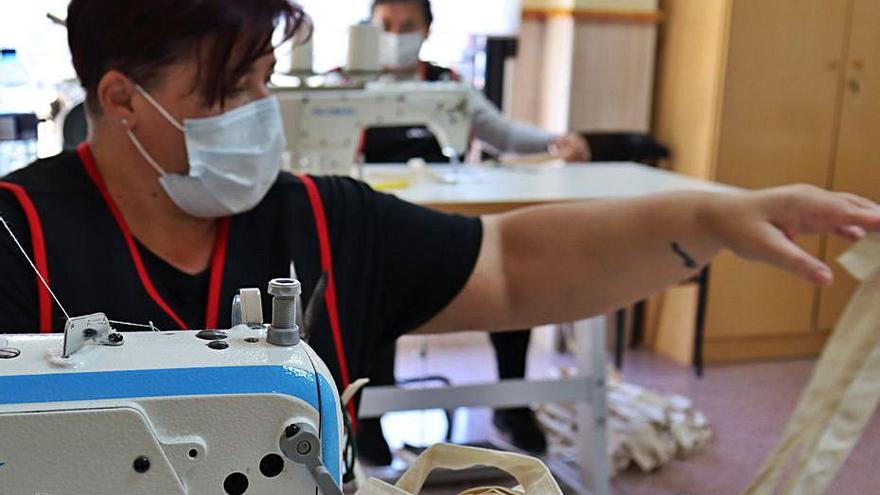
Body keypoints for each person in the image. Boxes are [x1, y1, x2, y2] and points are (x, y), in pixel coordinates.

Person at [0, 0, 878, 481]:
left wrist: (704, 219)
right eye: (228, 93)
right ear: (120, 100)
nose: (259, 115)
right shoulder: (16, 238)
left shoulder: (321, 220)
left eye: (265, 82)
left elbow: (512, 262)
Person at [360, 0, 590, 462]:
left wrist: (555, 142)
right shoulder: (340, 84)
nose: (396, 34)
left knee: (512, 267)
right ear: (367, 29)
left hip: (438, 228)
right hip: (373, 229)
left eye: (408, 25)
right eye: (386, 25)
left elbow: (501, 134)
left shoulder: (448, 86)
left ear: (427, 31)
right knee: (364, 279)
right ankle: (369, 415)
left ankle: (512, 402)